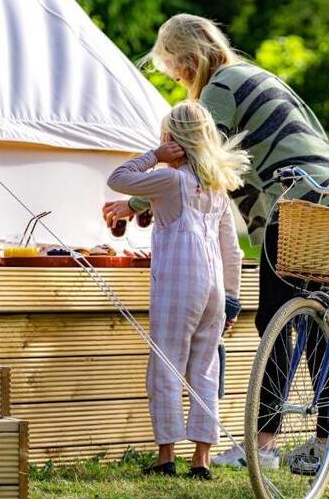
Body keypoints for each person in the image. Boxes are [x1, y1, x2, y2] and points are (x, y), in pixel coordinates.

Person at [103, 14, 329, 469]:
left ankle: (263, 445)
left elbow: (196, 159)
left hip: (293, 203)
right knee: (323, 325)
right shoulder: (255, 74)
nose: (177, 78)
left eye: (176, 68)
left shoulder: (222, 85)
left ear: (190, 58)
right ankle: (327, 440)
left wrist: (135, 204)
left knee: (277, 320)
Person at [107, 100, 248, 480]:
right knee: (205, 367)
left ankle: (166, 454)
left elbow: (118, 178)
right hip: (215, 287)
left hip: (179, 284)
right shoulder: (216, 187)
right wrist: (233, 300)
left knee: (166, 365)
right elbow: (231, 250)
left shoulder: (170, 179)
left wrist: (153, 155)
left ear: (173, 139)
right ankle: (201, 459)